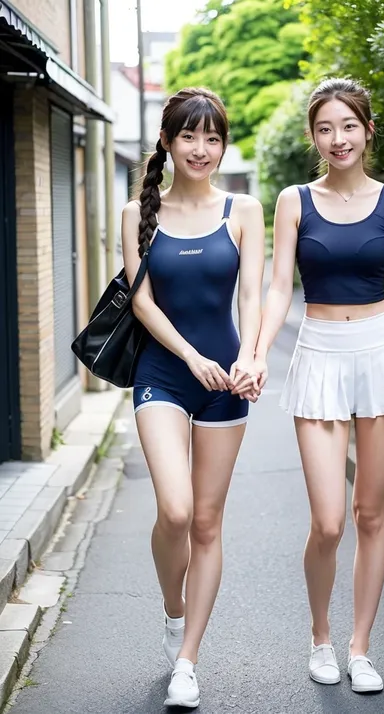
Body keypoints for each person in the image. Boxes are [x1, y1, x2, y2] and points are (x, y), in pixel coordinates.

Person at [252, 78, 384, 694]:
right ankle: (321, 639)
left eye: (349, 126)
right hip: (319, 357)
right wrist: (256, 353)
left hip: (381, 354)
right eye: (326, 128)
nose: (338, 138)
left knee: (368, 513)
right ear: (314, 136)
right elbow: (280, 288)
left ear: (368, 130)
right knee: (328, 520)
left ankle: (361, 648)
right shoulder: (293, 200)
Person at [121, 87, 264, 708]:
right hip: (166, 372)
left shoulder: (244, 210)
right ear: (167, 143)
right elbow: (142, 302)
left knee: (206, 522)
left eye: (212, 138)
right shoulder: (137, 215)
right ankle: (172, 609)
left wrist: (252, 357)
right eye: (189, 137)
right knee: (175, 512)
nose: (201, 149)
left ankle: (187, 659)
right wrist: (191, 357)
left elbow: (254, 298)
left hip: (227, 381)